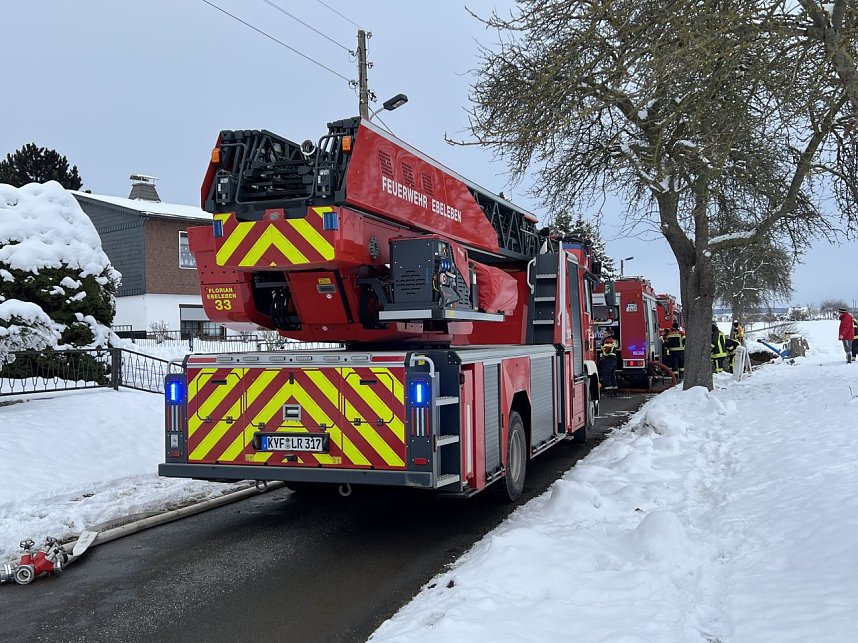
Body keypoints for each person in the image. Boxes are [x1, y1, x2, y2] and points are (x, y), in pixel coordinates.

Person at [599, 329, 619, 397]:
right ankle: (615, 392)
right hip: (612, 360)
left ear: (609, 334)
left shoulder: (607, 341)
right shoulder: (609, 340)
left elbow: (606, 351)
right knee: (612, 375)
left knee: (606, 375)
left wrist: (602, 356)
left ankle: (609, 393)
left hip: (609, 360)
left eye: (605, 333)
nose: (603, 335)